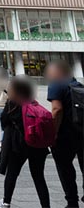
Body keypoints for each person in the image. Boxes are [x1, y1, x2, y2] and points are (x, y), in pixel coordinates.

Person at [0, 76, 50, 208]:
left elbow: (3, 122)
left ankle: (6, 202)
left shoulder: (12, 104)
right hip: (37, 145)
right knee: (39, 177)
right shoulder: (33, 103)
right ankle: (46, 206)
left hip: (18, 146)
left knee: (12, 173)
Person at [46, 60, 84, 207]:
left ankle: (72, 202)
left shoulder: (55, 85)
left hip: (64, 135)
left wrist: (53, 133)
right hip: (81, 132)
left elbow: (57, 109)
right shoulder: (78, 85)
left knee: (65, 169)